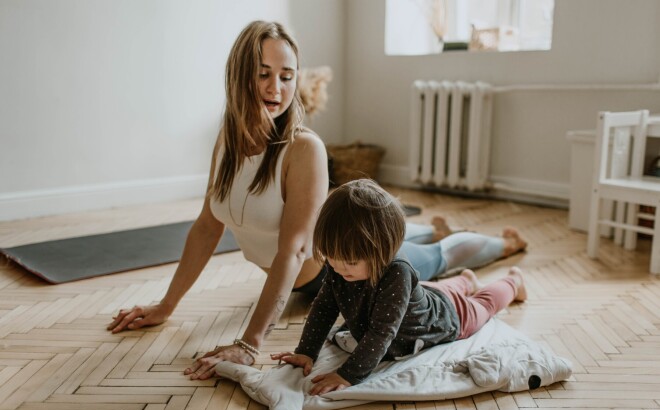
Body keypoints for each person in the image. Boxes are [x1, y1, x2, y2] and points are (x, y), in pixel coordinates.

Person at [107, 20, 526, 379]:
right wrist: (166, 305)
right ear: (238, 75)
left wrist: (250, 343)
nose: (276, 87)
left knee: (435, 257)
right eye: (263, 73)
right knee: (419, 247)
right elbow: (205, 227)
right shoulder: (227, 143)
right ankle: (439, 246)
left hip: (351, 270)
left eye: (287, 76)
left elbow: (293, 250)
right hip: (329, 266)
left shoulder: (303, 148)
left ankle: (503, 246)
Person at [271, 179, 527, 394]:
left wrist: (348, 375)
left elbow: (382, 333)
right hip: (425, 294)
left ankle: (513, 282)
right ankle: (466, 280)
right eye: (332, 259)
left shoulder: (397, 273)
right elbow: (324, 307)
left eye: (349, 261)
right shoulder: (341, 266)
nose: (338, 268)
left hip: (447, 316)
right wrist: (306, 351)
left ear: (383, 250)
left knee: (483, 304)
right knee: (438, 290)